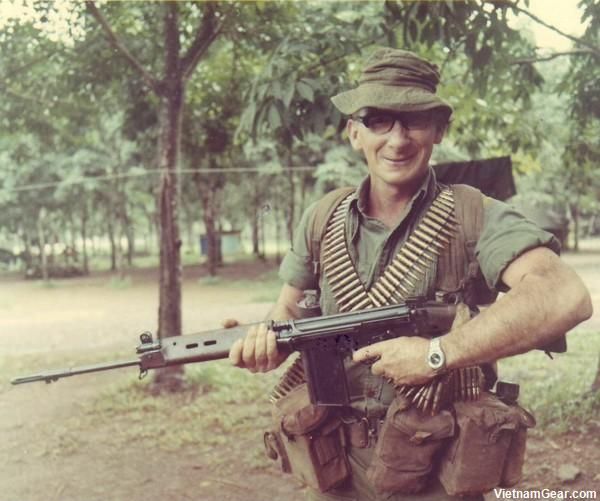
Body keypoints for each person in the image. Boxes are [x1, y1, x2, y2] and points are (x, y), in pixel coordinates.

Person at [229, 48, 593, 501]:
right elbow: (288, 306)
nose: (397, 140)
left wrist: (437, 354)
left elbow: (564, 295)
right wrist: (266, 339)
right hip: (336, 467)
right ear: (354, 132)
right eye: (379, 120)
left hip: (436, 469)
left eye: (414, 120)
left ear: (439, 130)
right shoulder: (321, 218)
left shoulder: (473, 216)